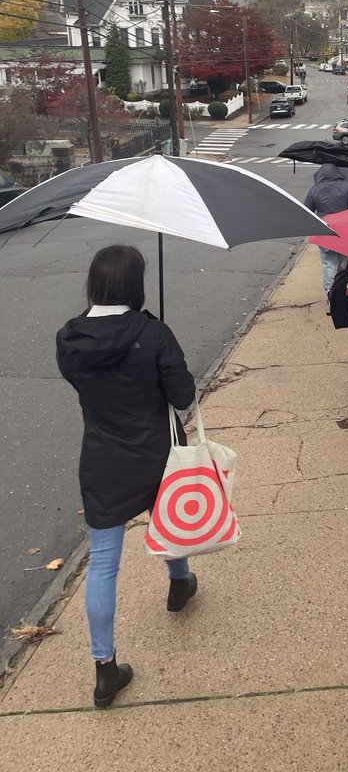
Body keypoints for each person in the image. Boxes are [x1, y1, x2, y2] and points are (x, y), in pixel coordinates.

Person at [56, 244, 197, 710]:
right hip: (156, 451)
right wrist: (157, 343)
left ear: (94, 285)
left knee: (103, 563)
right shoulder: (152, 333)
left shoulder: (70, 338)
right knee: (170, 518)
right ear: (136, 285)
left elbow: (84, 384)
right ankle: (179, 582)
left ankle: (104, 669)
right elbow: (183, 395)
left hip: (103, 457)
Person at [304, 163, 348, 294]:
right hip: (345, 231)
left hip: (324, 231)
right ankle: (345, 290)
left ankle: (331, 294)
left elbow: (307, 211)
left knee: (328, 263)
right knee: (344, 263)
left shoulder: (315, 189)